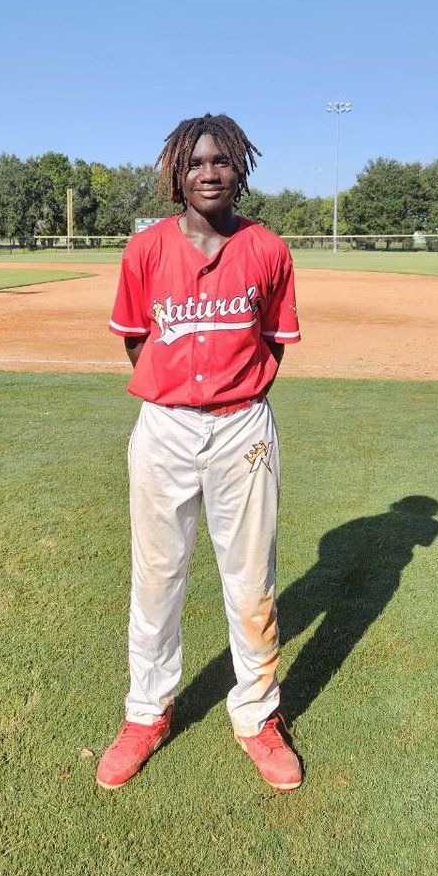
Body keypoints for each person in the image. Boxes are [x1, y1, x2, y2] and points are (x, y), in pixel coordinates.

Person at [98, 112, 302, 792]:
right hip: (166, 428)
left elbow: (272, 342)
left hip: (243, 428)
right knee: (157, 578)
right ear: (174, 175)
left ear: (239, 170)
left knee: (252, 584)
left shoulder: (268, 249)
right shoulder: (146, 250)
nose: (208, 173)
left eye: (220, 162)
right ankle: (146, 713)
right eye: (195, 163)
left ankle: (257, 717)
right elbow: (138, 342)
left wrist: (231, 393)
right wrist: (181, 396)